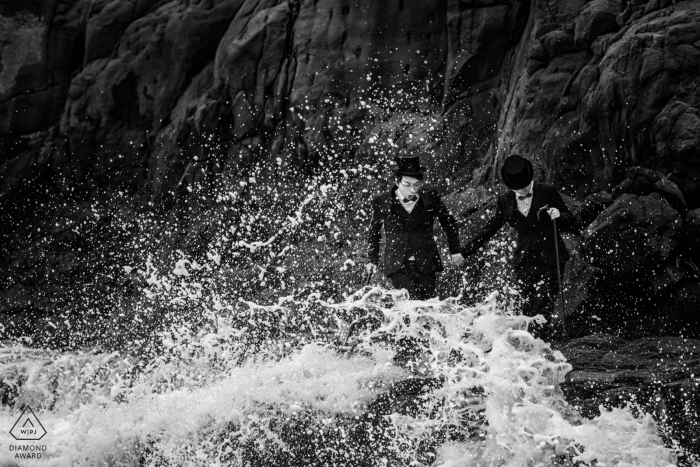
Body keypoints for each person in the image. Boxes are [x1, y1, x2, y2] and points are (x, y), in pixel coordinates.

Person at [462, 155, 574, 340]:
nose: (521, 190)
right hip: (524, 262)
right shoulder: (504, 201)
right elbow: (490, 228)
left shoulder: (548, 192)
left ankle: (539, 349)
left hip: (550, 259)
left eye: (524, 185)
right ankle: (528, 351)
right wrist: (464, 251)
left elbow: (569, 218)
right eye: (517, 187)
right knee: (526, 309)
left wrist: (558, 214)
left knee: (543, 305)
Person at [366, 153, 465, 300]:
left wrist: (455, 250)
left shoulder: (430, 196)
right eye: (407, 185)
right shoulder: (382, 201)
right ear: (397, 181)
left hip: (426, 261)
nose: (413, 190)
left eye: (416, 184)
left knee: (427, 306)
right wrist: (372, 260)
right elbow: (374, 232)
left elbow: (448, 221)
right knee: (409, 302)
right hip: (397, 264)